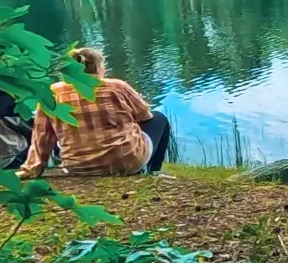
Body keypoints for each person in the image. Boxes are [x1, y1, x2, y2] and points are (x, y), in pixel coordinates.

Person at [18, 47, 173, 179]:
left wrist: (32, 168)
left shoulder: (52, 92)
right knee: (159, 119)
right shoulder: (117, 86)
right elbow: (145, 115)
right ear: (99, 68)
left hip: (77, 168)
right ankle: (154, 172)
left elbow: (42, 136)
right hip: (125, 163)